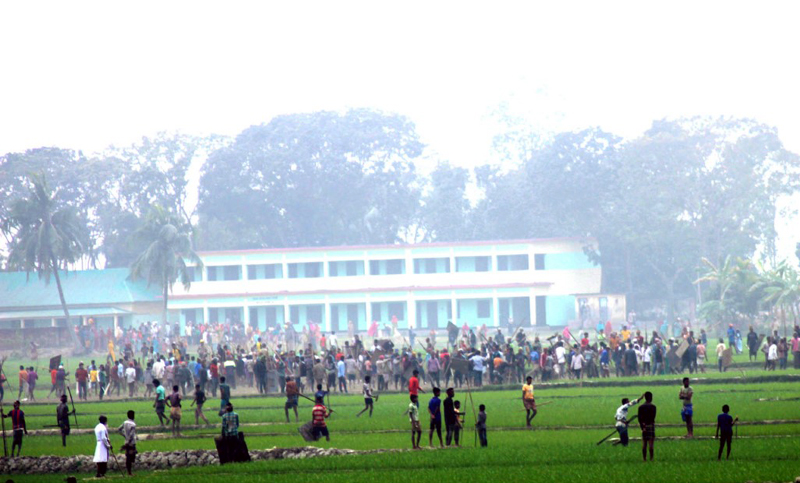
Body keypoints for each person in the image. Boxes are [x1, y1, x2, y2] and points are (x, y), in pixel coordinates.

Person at [637, 391, 657, 462]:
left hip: (643, 426)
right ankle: (651, 458)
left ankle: (644, 459)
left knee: (644, 443)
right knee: (651, 443)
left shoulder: (640, 407)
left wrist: (642, 427)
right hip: (650, 425)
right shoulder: (653, 407)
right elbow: (653, 417)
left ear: (645, 398)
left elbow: (639, 419)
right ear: (651, 398)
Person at [118, 410, 138, 476]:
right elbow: (131, 435)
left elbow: (119, 429)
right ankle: (129, 473)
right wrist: (128, 441)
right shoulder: (133, 424)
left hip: (127, 441)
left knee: (128, 457)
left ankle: (129, 472)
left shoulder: (125, 422)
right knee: (131, 457)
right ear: (133, 416)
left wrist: (124, 435)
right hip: (131, 443)